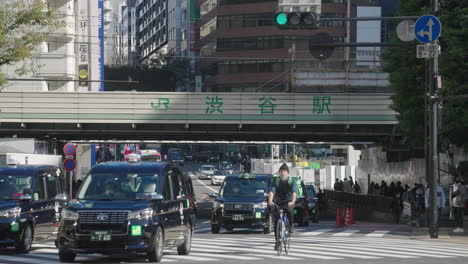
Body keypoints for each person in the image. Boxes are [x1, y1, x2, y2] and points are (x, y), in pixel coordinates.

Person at [268, 163, 297, 250]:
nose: (282, 173)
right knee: (276, 222)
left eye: (284, 171)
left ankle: (291, 225)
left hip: (288, 201)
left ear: (287, 172)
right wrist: (270, 200)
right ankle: (277, 243)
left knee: (289, 210)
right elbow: (272, 192)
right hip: (278, 202)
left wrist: (292, 201)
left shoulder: (292, 181)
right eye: (281, 171)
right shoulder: (275, 180)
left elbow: (294, 193)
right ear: (279, 172)